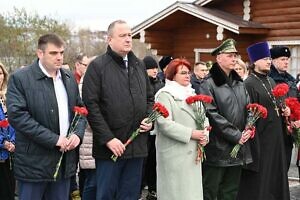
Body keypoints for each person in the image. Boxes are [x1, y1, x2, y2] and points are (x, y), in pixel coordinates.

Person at [6, 33, 86, 200]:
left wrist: (77, 135)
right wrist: (54, 139)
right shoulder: (21, 78)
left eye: (61, 53)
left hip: (63, 164)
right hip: (33, 165)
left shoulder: (69, 77)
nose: (59, 57)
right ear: (40, 53)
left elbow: (81, 110)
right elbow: (18, 116)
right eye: (53, 53)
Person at [82, 20, 154, 200]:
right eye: (123, 36)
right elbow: (91, 106)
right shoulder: (97, 67)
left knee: (130, 195)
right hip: (110, 149)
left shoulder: (138, 65)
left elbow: (149, 97)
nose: (128, 39)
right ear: (110, 39)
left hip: (136, 146)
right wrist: (108, 139)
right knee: (106, 194)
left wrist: (149, 118)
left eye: (130, 35)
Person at [199, 38, 252, 200]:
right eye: (230, 55)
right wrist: (237, 135)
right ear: (218, 57)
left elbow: (249, 108)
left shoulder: (239, 83)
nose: (234, 58)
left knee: (230, 192)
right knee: (211, 191)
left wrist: (249, 128)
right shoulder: (208, 84)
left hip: (238, 148)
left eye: (235, 55)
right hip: (218, 149)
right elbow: (212, 115)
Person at [237, 41, 290, 200]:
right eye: (265, 58)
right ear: (254, 62)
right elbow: (247, 115)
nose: (268, 61)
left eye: (269, 58)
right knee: (261, 180)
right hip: (260, 140)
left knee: (275, 175)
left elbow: (275, 105)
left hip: (276, 138)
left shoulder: (270, 81)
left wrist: (284, 110)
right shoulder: (248, 84)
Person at [155, 58, 209, 200]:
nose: (187, 76)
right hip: (174, 155)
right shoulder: (164, 95)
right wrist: (192, 133)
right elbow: (164, 124)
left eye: (188, 73)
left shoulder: (191, 93)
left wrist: (205, 134)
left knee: (191, 193)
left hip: (193, 155)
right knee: (175, 194)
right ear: (172, 75)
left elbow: (204, 118)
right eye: (183, 73)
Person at [269, 46, 299, 171]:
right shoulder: (269, 79)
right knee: (273, 168)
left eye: (287, 59)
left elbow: (297, 102)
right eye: (282, 59)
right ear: (273, 61)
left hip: (289, 131)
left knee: (284, 167)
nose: (286, 62)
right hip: (274, 131)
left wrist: (296, 119)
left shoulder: (291, 81)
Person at [142, 55, 164, 200]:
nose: (154, 71)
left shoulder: (160, 84)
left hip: (157, 128)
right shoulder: (142, 83)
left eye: (156, 68)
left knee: (154, 160)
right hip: (145, 127)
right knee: (145, 161)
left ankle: (153, 188)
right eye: (151, 68)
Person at [0, 62, 16, 200]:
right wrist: (2, 142)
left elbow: (15, 122)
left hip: (10, 155)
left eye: (0, 73)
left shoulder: (7, 98)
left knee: (9, 192)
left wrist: (13, 142)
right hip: (1, 150)